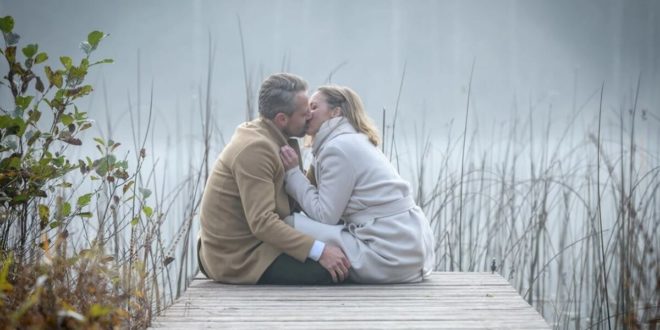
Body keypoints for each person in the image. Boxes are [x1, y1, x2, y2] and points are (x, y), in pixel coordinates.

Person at [198, 73, 351, 284]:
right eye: (304, 113)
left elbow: (296, 202)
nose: (309, 117)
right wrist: (320, 251)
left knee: (343, 258)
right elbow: (262, 222)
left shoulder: (278, 139)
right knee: (332, 271)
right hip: (238, 256)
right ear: (282, 118)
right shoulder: (255, 150)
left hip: (259, 243)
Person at [280, 85, 436, 283]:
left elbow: (324, 215)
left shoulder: (337, 148)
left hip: (387, 251)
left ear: (335, 113)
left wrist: (293, 174)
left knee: (290, 225)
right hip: (408, 246)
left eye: (314, 107)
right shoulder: (353, 140)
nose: (307, 113)